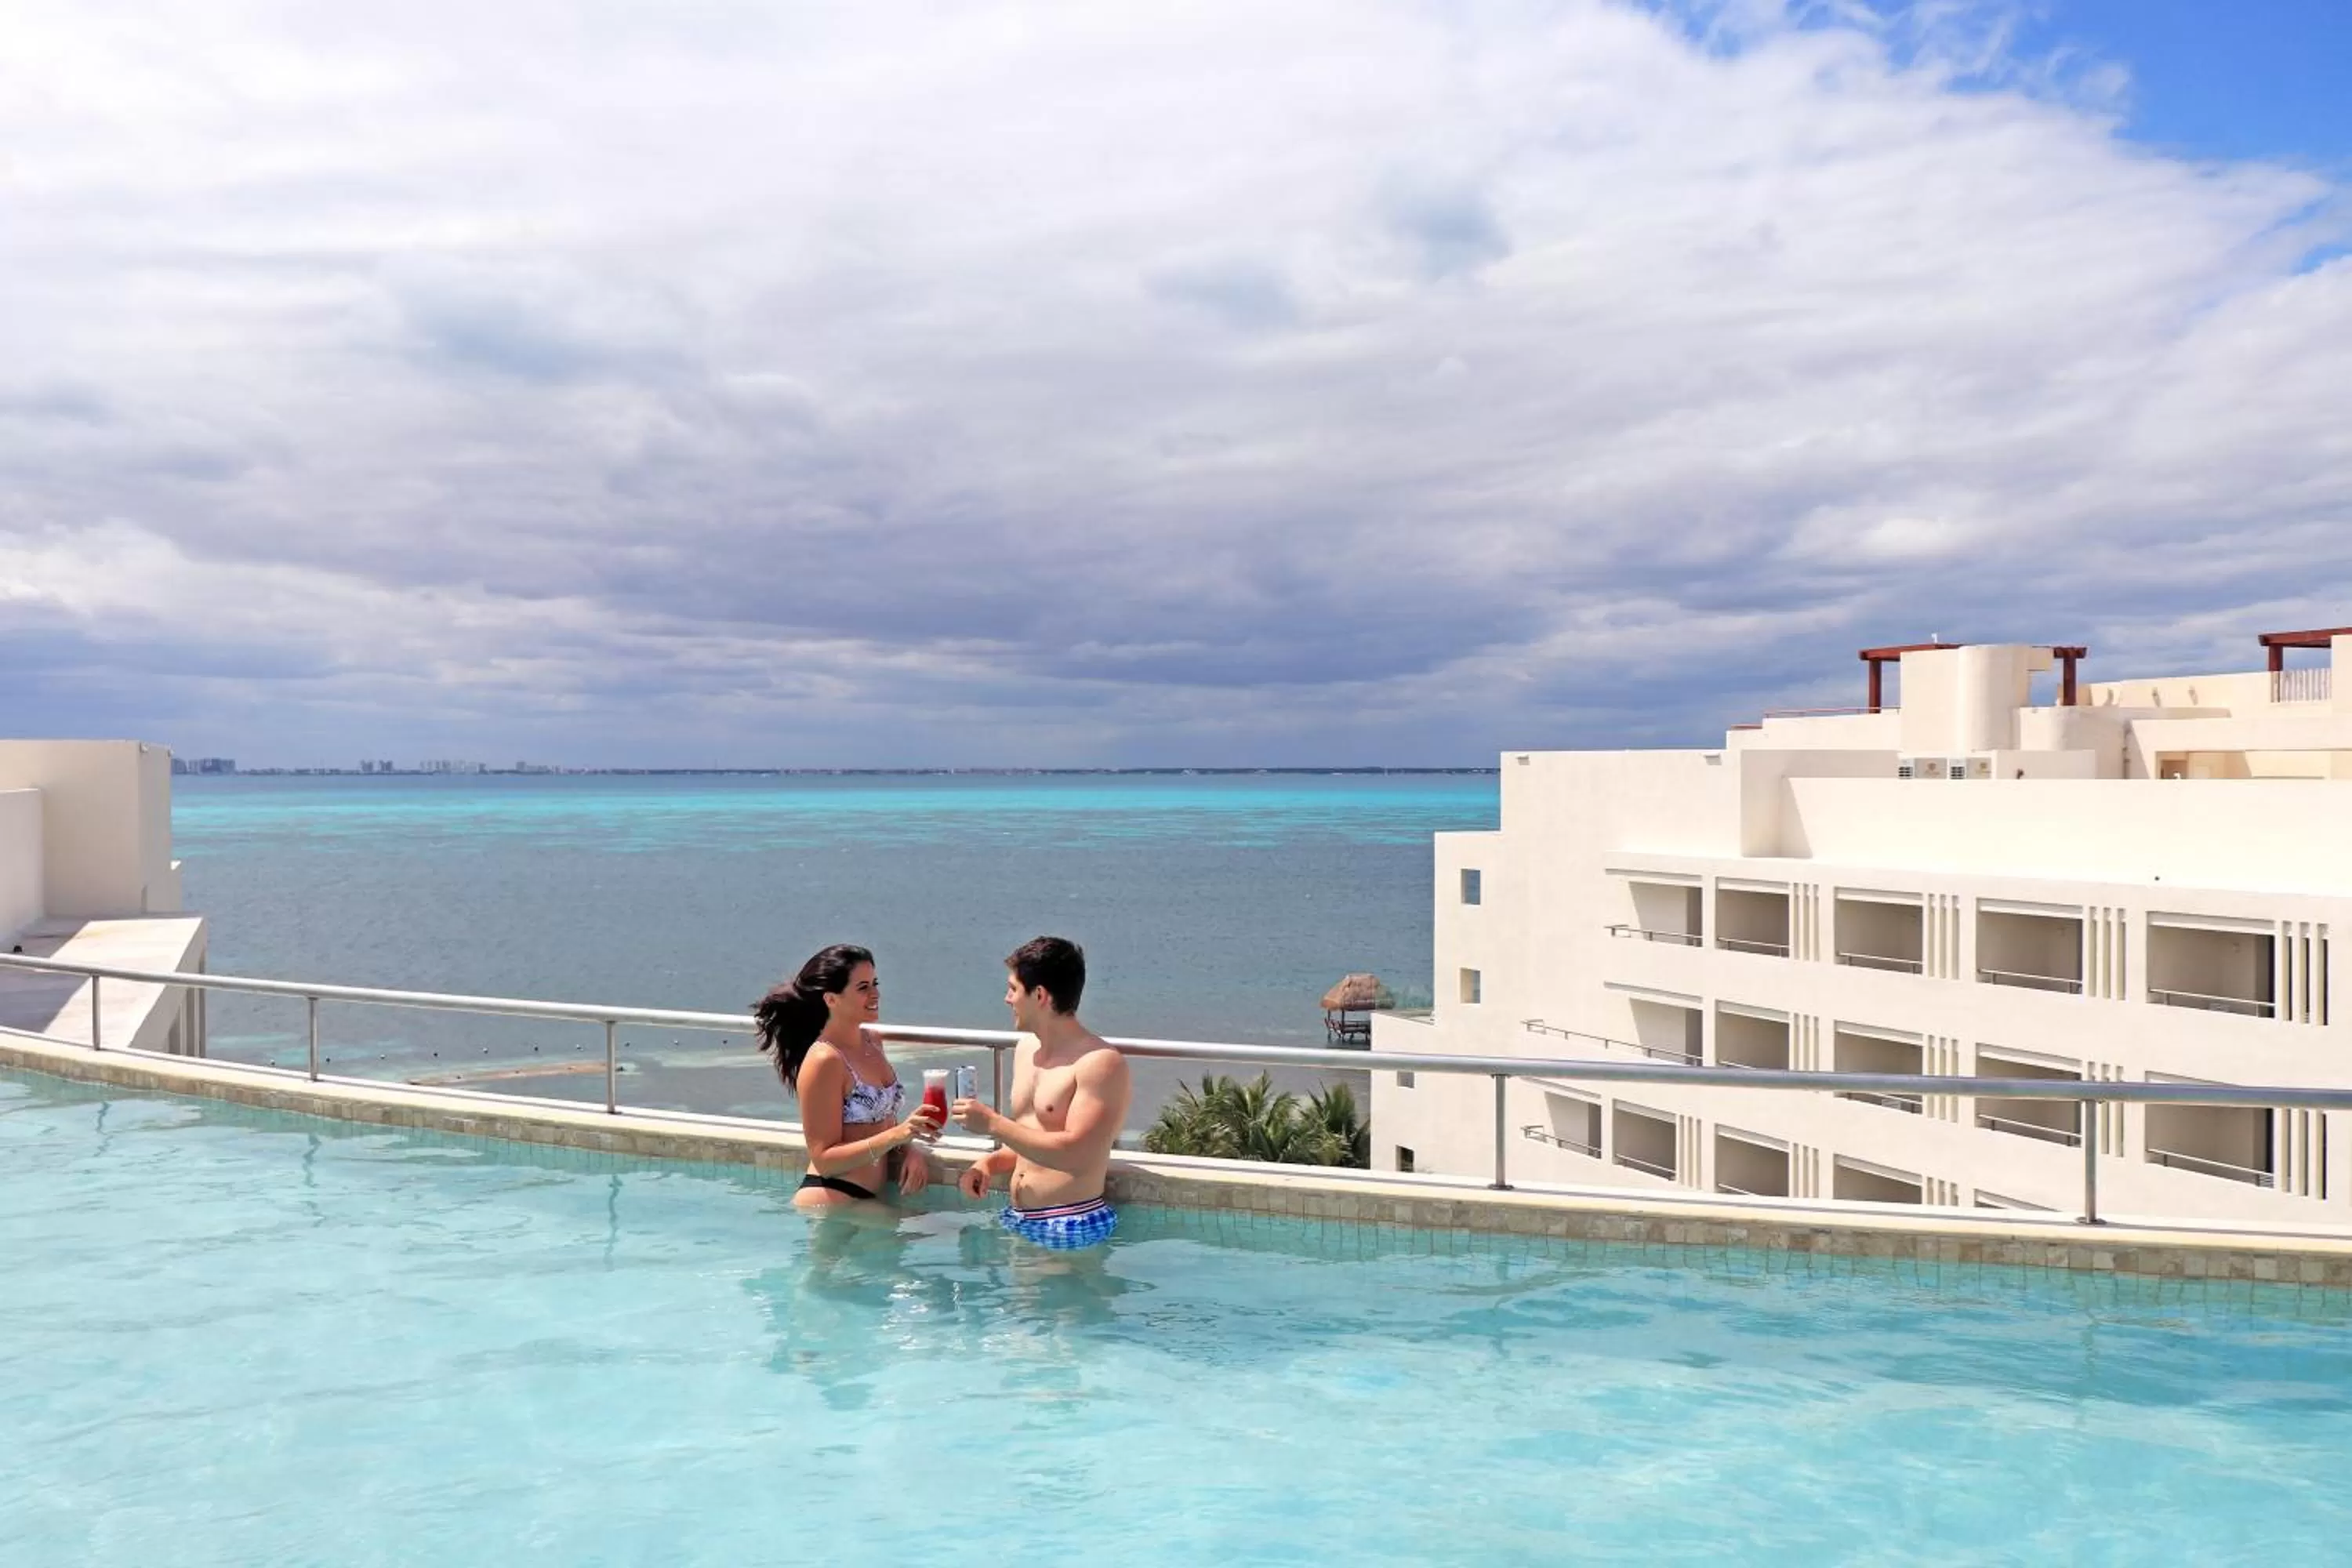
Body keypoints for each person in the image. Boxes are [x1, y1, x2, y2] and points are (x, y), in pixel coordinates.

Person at [952, 936, 1131, 1249]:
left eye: (1013, 989)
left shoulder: (1100, 1063)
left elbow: (1078, 1154)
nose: (1007, 998)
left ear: (1039, 995)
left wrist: (992, 1123)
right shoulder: (1026, 1050)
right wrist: (989, 1164)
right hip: (1019, 1218)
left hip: (1070, 1222)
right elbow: (1034, 1138)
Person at [753, 944, 941, 1210]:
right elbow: (825, 1159)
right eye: (863, 987)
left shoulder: (872, 1041)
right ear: (831, 999)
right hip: (832, 1197)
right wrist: (900, 1135)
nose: (875, 994)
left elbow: (883, 1122)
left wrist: (909, 1148)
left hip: (865, 1200)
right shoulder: (825, 1060)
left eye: (875, 983)